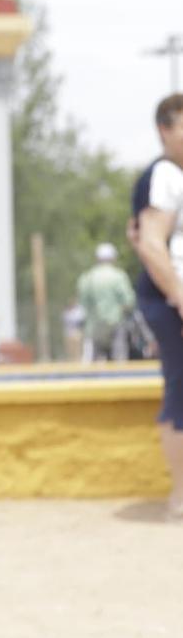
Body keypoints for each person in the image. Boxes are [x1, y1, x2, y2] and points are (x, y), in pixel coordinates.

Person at [128, 92, 183, 518]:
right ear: (165, 130)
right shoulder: (166, 174)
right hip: (172, 299)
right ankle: (180, 499)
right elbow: (150, 244)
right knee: (180, 394)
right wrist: (180, 299)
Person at [76, 243, 135, 362]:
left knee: (92, 361)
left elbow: (83, 303)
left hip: (93, 327)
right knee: (119, 358)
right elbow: (129, 301)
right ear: (113, 258)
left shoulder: (87, 277)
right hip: (116, 324)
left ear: (97, 259)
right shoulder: (119, 276)